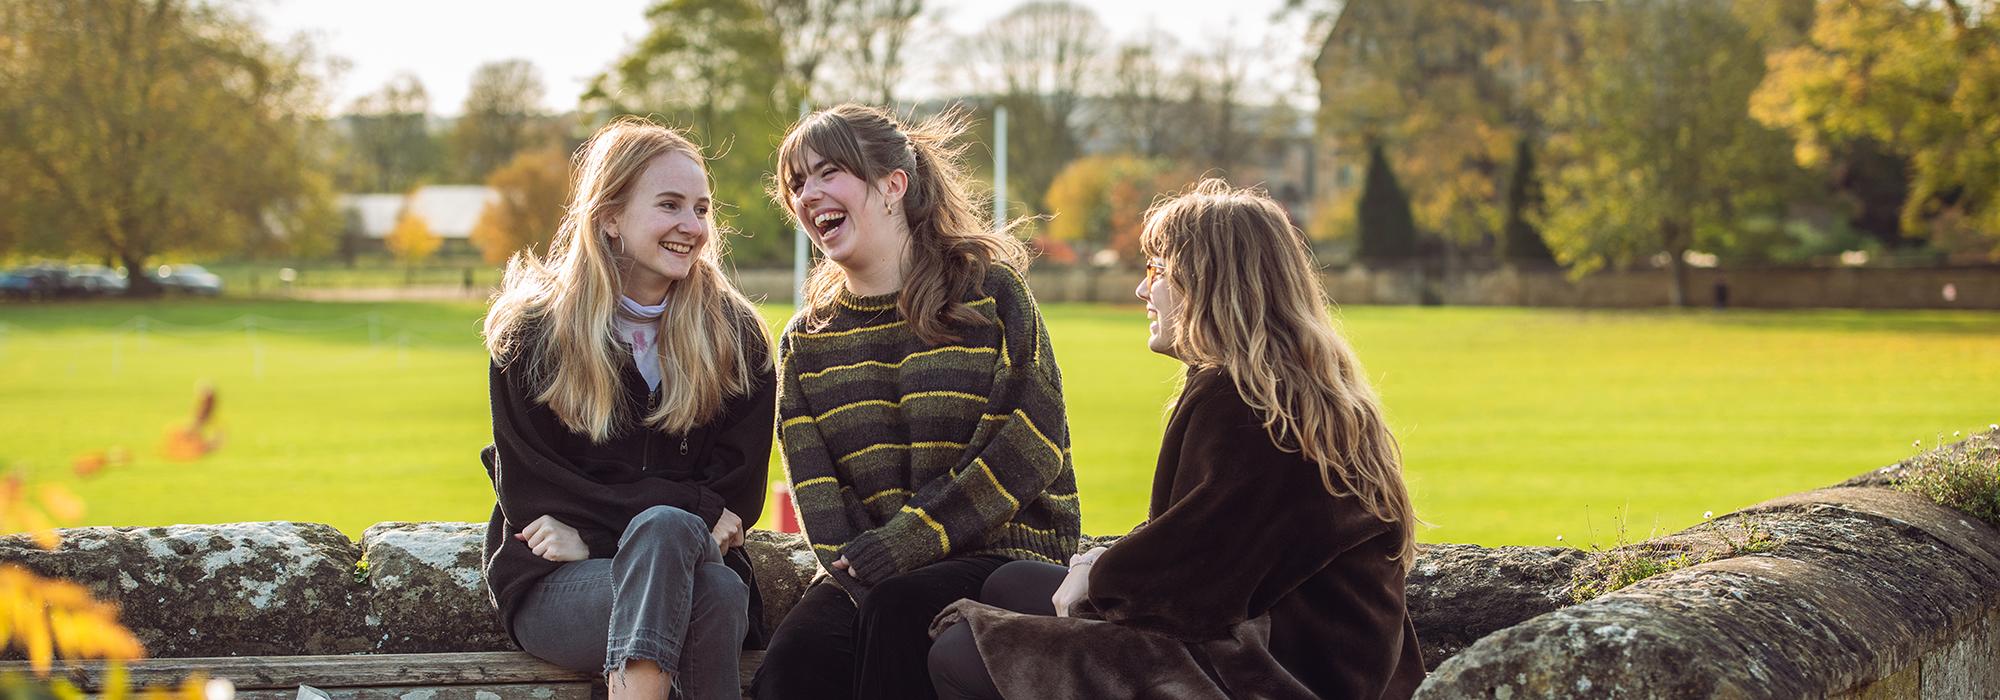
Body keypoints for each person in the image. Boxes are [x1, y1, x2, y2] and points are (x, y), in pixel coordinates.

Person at [927, 180, 1427, 699]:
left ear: (1209, 283)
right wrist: (1097, 571)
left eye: (1158, 271)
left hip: (1273, 673)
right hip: (1277, 644)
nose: (1143, 290)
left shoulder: (1249, 405)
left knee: (960, 651)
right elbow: (1204, 540)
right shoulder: (1284, 387)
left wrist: (1098, 577)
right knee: (1007, 584)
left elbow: (1195, 580)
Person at [751, 104, 1082, 700]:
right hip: (874, 575)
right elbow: (818, 494)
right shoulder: (806, 344)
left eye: (828, 172)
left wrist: (906, 543)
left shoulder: (989, 295)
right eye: (797, 183)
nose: (809, 194)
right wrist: (859, 564)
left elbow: (1030, 447)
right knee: (794, 662)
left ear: (892, 186)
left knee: (900, 615)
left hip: (1002, 556)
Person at [479, 117, 776, 700]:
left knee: (707, 582)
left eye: (701, 209)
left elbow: (737, 499)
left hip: (679, 574)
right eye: (670, 205)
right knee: (678, 540)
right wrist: (679, 510)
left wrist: (596, 533)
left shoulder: (736, 337)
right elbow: (534, 493)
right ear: (610, 217)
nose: (691, 227)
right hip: (561, 586)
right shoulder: (532, 332)